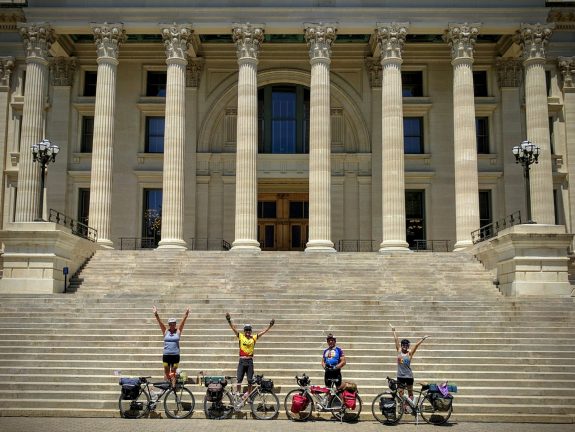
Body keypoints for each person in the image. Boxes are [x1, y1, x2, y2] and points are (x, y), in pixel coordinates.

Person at [225, 312, 274, 395]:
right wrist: (229, 320)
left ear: (251, 331)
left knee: (250, 380)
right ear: (244, 331)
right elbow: (234, 329)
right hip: (242, 361)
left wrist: (270, 326)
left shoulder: (253, 338)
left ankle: (249, 395)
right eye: (246, 330)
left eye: (249, 330)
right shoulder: (241, 336)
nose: (248, 331)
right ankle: (237, 393)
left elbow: (263, 332)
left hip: (249, 362)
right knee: (239, 379)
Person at [390, 324, 429, 406]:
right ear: (401, 346)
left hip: (408, 376)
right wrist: (394, 330)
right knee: (400, 392)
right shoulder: (399, 351)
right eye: (403, 345)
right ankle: (403, 406)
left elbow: (416, 346)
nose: (404, 346)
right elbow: (396, 340)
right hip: (400, 376)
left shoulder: (410, 353)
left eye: (406, 345)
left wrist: (423, 338)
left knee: (410, 393)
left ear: (408, 346)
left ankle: (411, 406)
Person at [153, 305, 190, 387]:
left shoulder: (178, 331)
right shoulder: (166, 331)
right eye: (170, 324)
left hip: (175, 355)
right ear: (169, 324)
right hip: (166, 354)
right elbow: (160, 323)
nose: (172, 326)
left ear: (175, 324)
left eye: (173, 324)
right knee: (166, 370)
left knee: (173, 371)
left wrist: (186, 315)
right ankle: (166, 385)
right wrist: (156, 314)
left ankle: (173, 387)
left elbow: (183, 323)